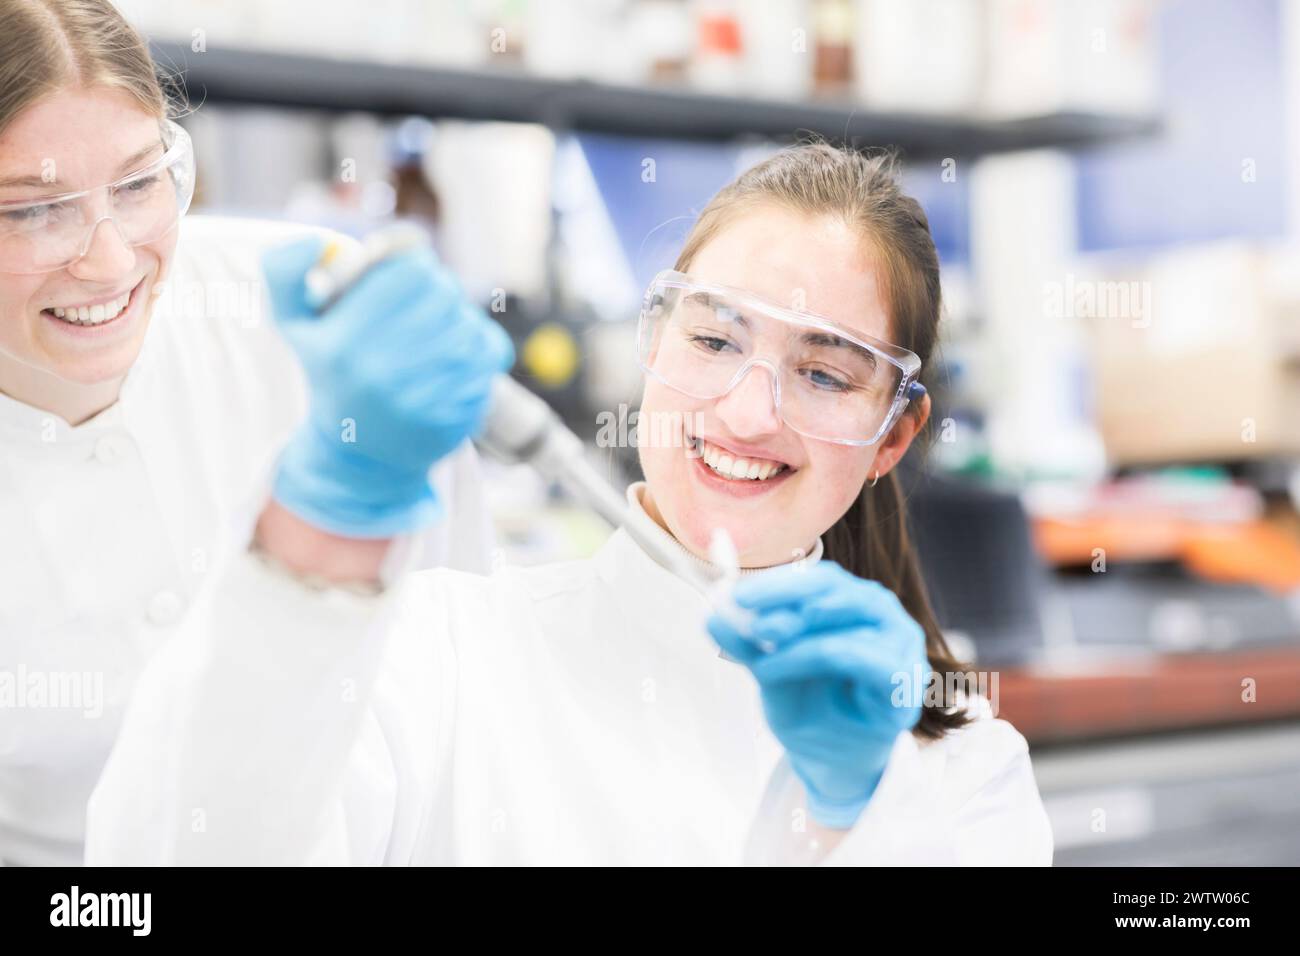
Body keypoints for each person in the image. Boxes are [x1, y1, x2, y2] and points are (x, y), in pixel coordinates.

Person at [88, 145, 1054, 865]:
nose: (749, 412)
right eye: (715, 341)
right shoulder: (439, 658)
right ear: (652, 340)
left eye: (824, 373)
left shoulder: (961, 770)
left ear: (892, 435)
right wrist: (318, 534)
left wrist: (846, 820)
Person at [0, 0, 510, 865]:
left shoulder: (311, 322)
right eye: (30, 212)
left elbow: (468, 670)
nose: (113, 260)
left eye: (137, 183)